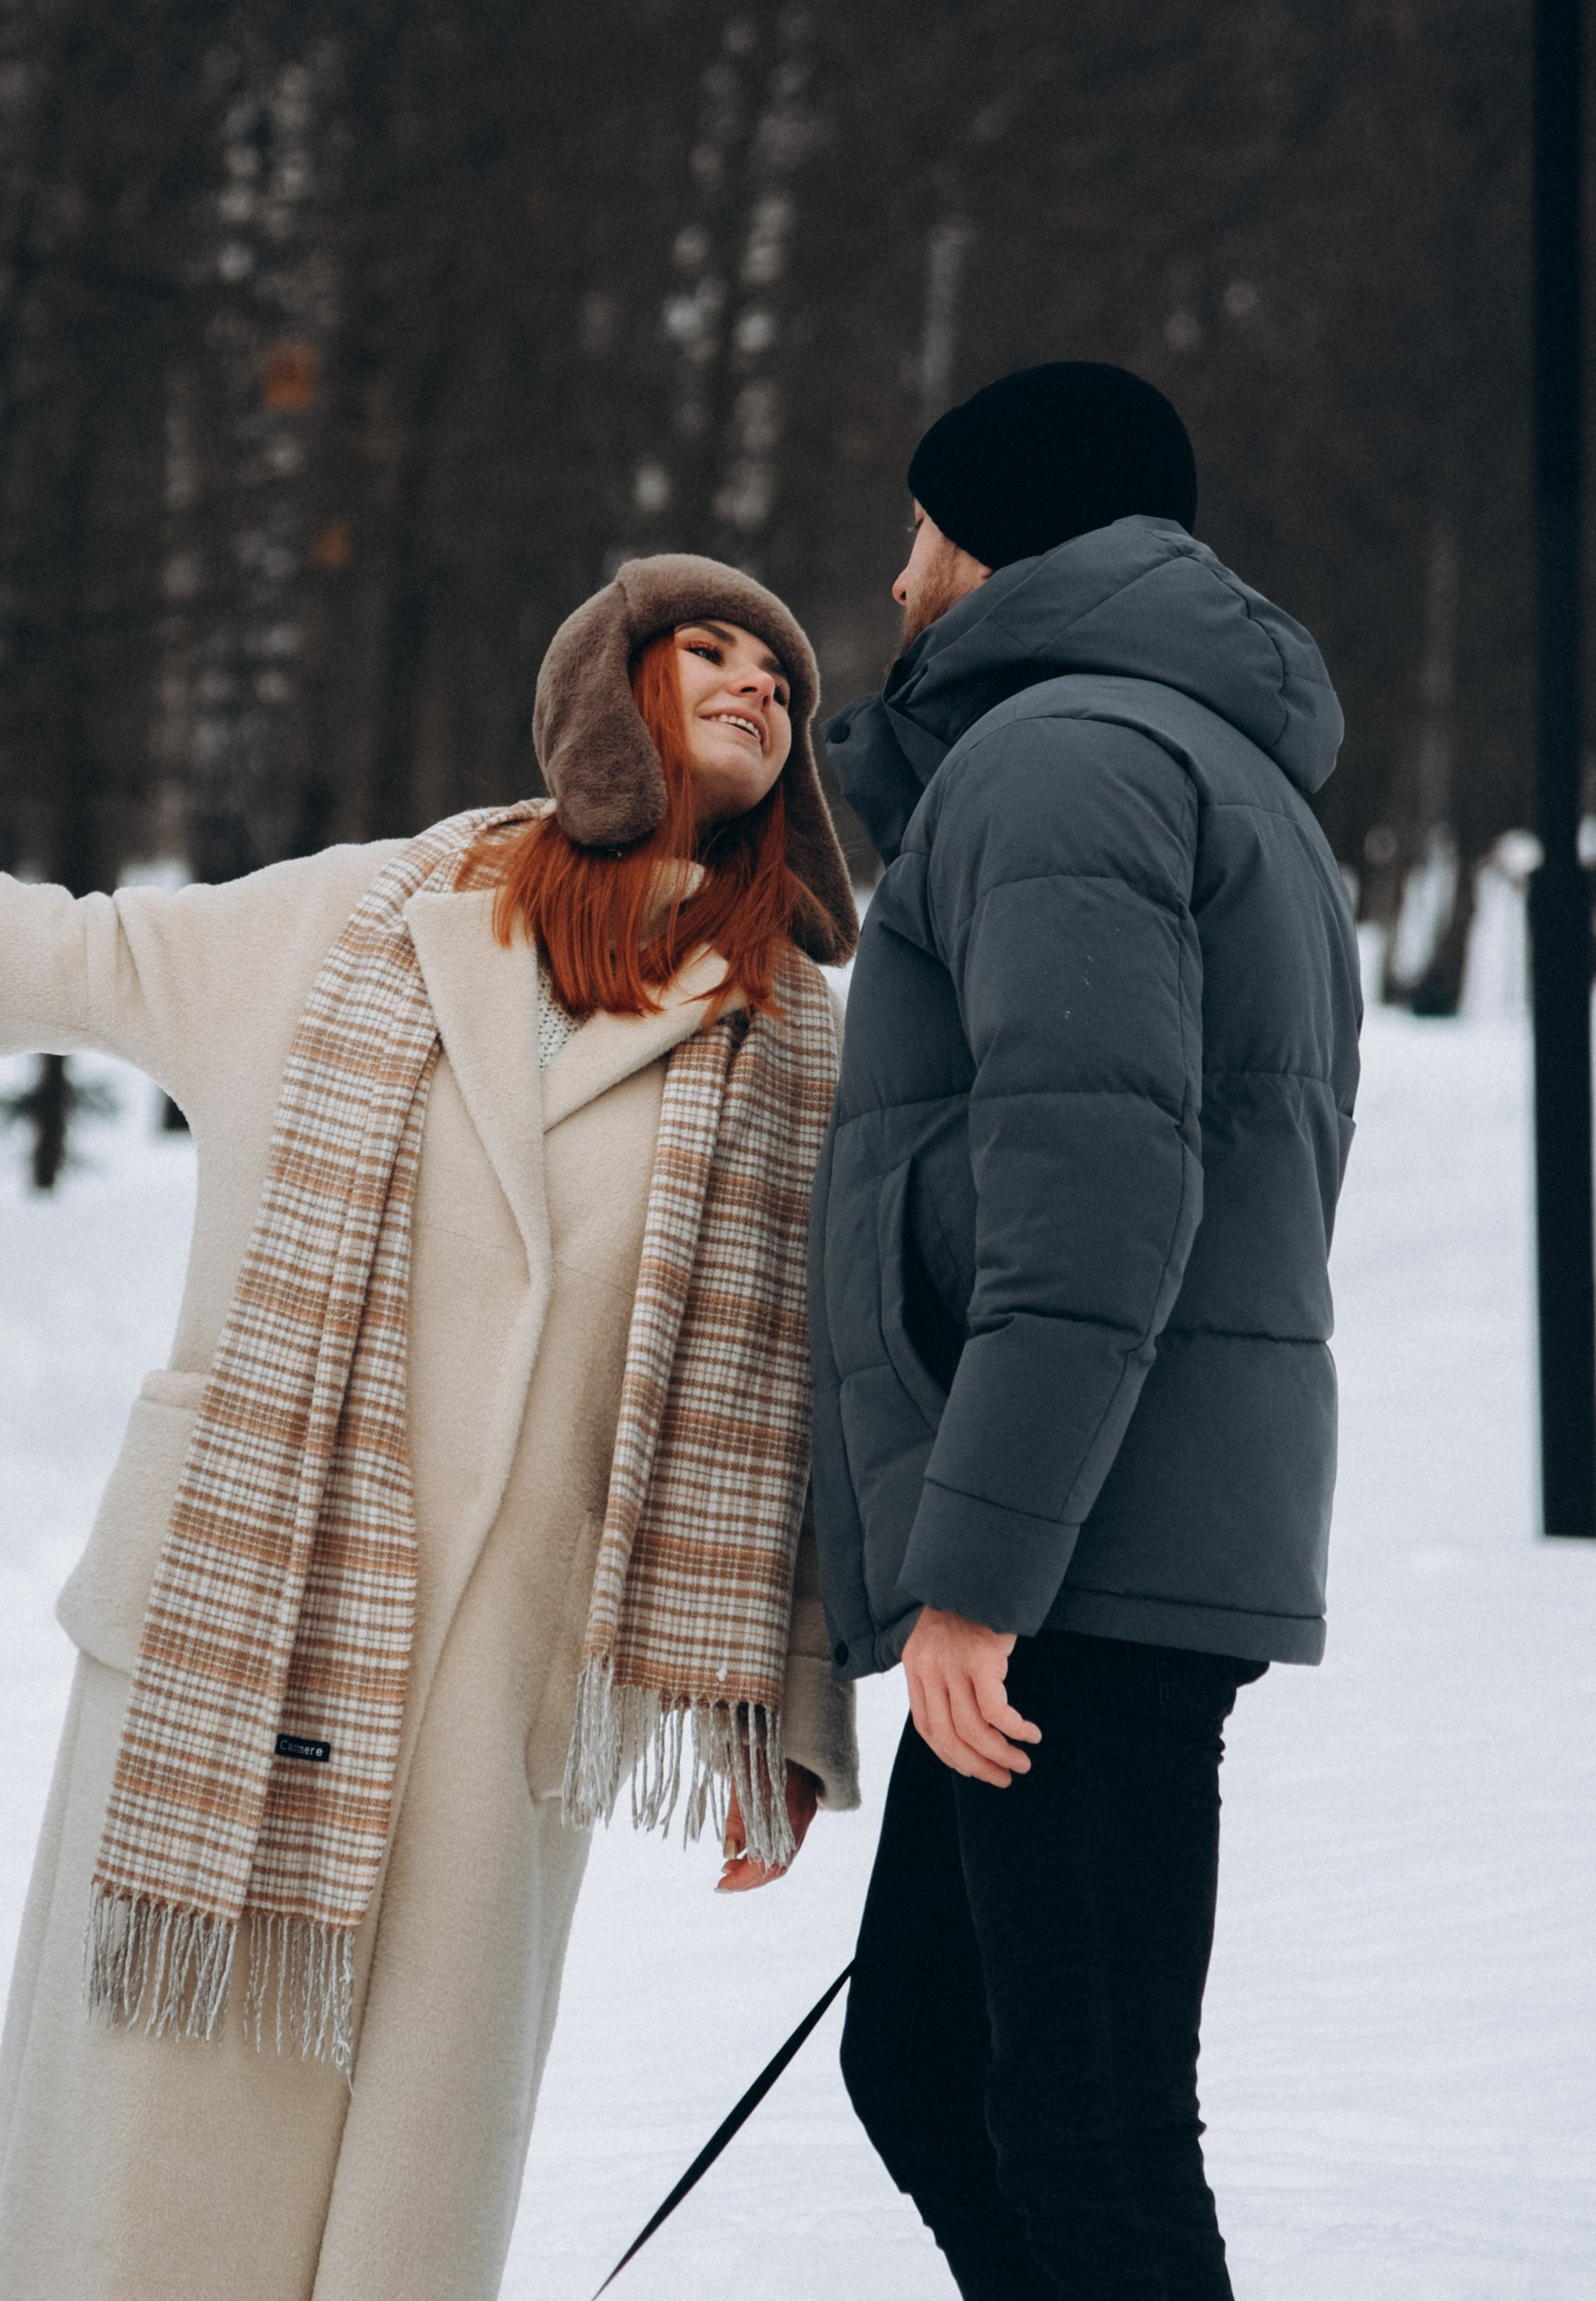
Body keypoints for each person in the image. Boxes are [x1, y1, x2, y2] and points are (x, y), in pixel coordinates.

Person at [0, 555, 863, 2300]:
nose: (757, 685)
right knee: (152, 2187)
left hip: (503, 1691)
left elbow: (804, 1388)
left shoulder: (788, 1038)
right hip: (239, 1642)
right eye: (707, 650)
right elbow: (56, 952)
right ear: (605, 700)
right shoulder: (356, 923)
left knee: (403, 2207)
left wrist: (781, 1704)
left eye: (780, 678)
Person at [809, 362, 1360, 2297]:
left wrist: (975, 1575)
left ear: (997, 536)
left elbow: (1096, 1196)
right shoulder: (1191, 757)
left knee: (1083, 2124)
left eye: (919, 531)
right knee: (935, 2064)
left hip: (1075, 1555)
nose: (896, 580)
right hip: (1098, 1531)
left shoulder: (1063, 762)